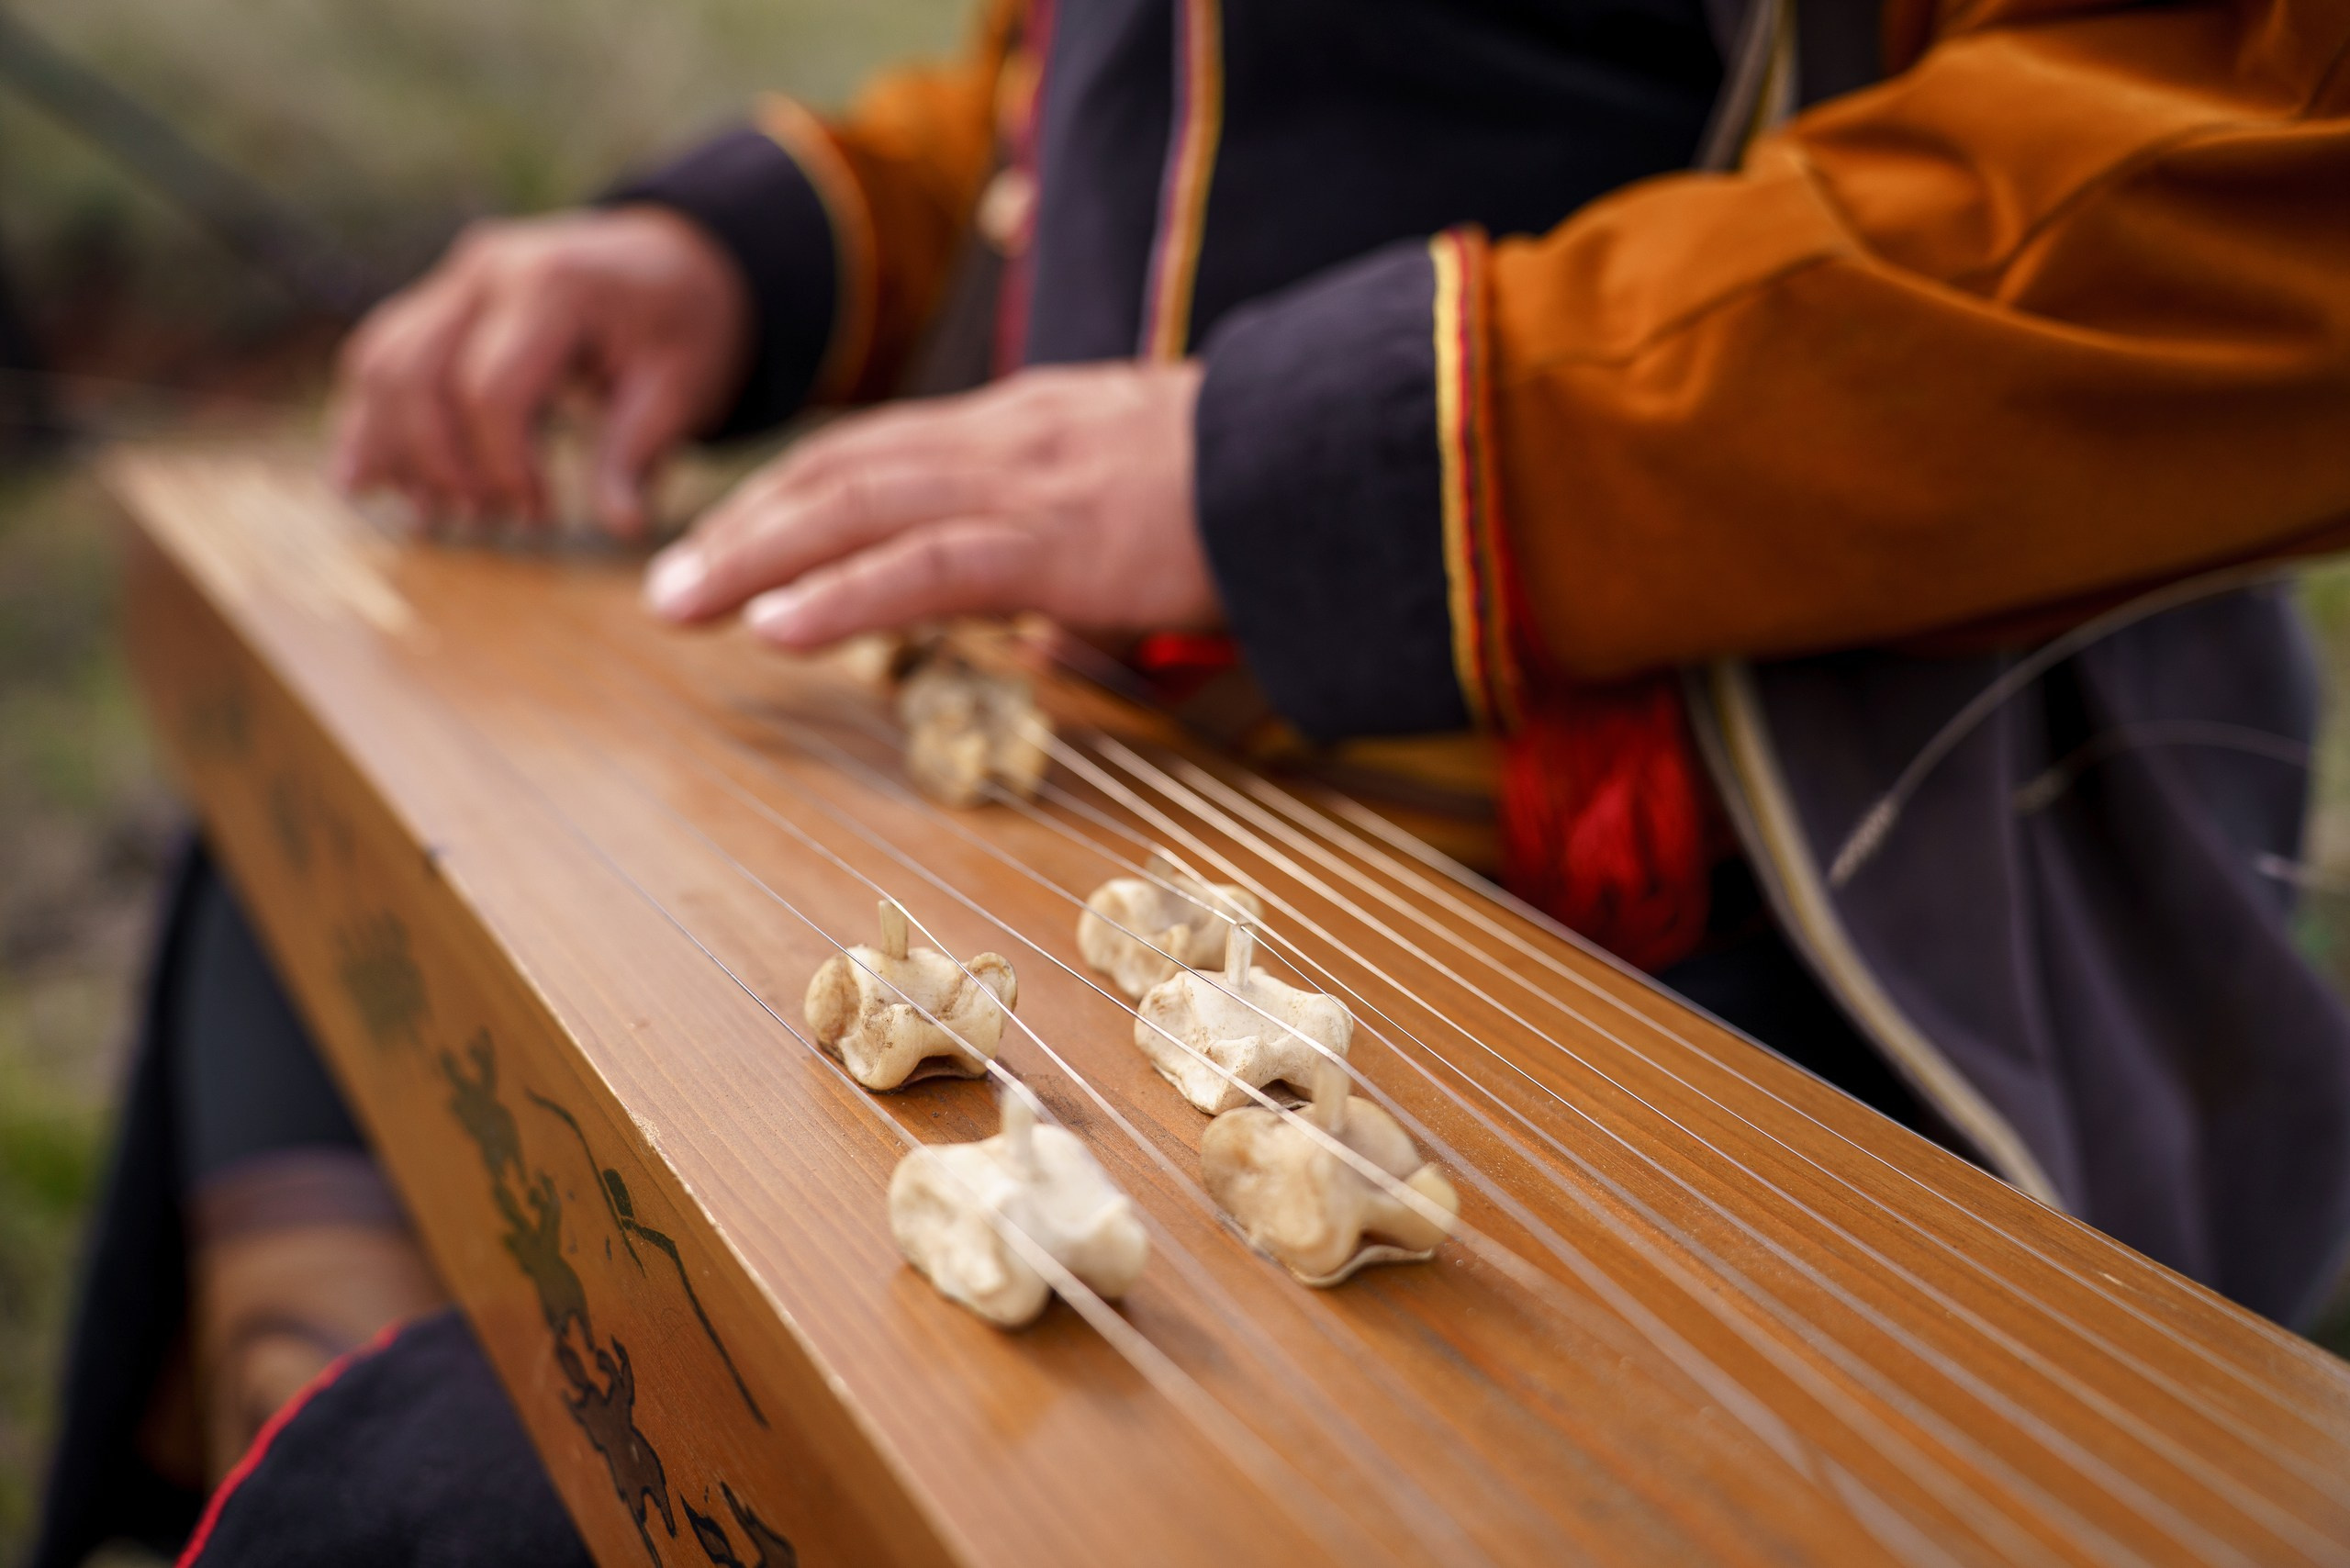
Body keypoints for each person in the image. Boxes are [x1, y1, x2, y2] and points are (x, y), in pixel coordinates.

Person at [37, 0, 2350, 1560]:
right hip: (1101, 750)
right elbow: (1119, 97)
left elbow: (2259, 169)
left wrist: (1305, 452)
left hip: (1711, 895)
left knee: (482, 1501)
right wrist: (747, 248)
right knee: (319, 868)